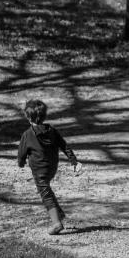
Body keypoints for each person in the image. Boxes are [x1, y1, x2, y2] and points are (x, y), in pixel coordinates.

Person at [18, 98, 83, 235]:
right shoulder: (52, 130)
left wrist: (21, 162)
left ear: (28, 117)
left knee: (45, 193)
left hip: (39, 169)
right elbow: (64, 145)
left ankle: (56, 223)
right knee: (46, 188)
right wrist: (74, 162)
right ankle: (58, 213)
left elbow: (22, 153)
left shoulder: (27, 134)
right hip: (52, 167)